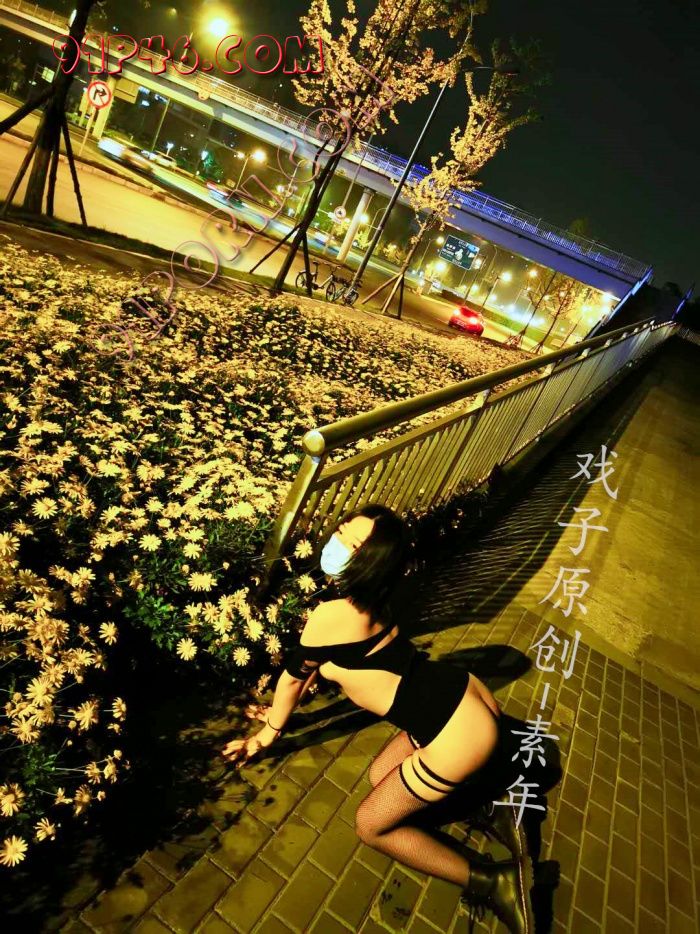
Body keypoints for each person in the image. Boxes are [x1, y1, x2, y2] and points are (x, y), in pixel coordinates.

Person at [223, 504, 534, 932]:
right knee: (379, 775)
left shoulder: (333, 614)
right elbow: (335, 663)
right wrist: (290, 700)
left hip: (458, 734)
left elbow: (294, 678)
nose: (338, 544)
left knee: (371, 825)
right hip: (461, 695)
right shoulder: (382, 596)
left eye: (354, 546)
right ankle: (488, 806)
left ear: (373, 563)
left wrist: (267, 732)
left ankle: (492, 881)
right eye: (342, 532)